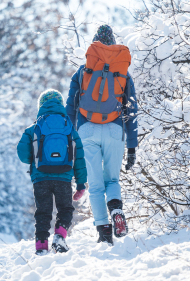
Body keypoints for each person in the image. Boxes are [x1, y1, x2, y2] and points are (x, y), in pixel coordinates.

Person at [65, 25, 138, 245]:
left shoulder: (82, 71)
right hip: (115, 129)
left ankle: (104, 232)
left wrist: (70, 140)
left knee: (95, 186)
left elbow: (70, 107)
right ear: (113, 44)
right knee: (112, 180)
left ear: (94, 45)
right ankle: (116, 209)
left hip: (87, 130)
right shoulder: (122, 71)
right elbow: (132, 110)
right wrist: (132, 146)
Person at [17, 89, 87, 255]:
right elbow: (79, 158)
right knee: (65, 209)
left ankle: (41, 246)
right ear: (60, 104)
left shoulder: (33, 128)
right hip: (64, 177)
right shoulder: (69, 128)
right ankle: (59, 236)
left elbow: (21, 152)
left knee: (43, 212)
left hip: (40, 177)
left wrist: (34, 158)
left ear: (41, 105)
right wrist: (81, 183)